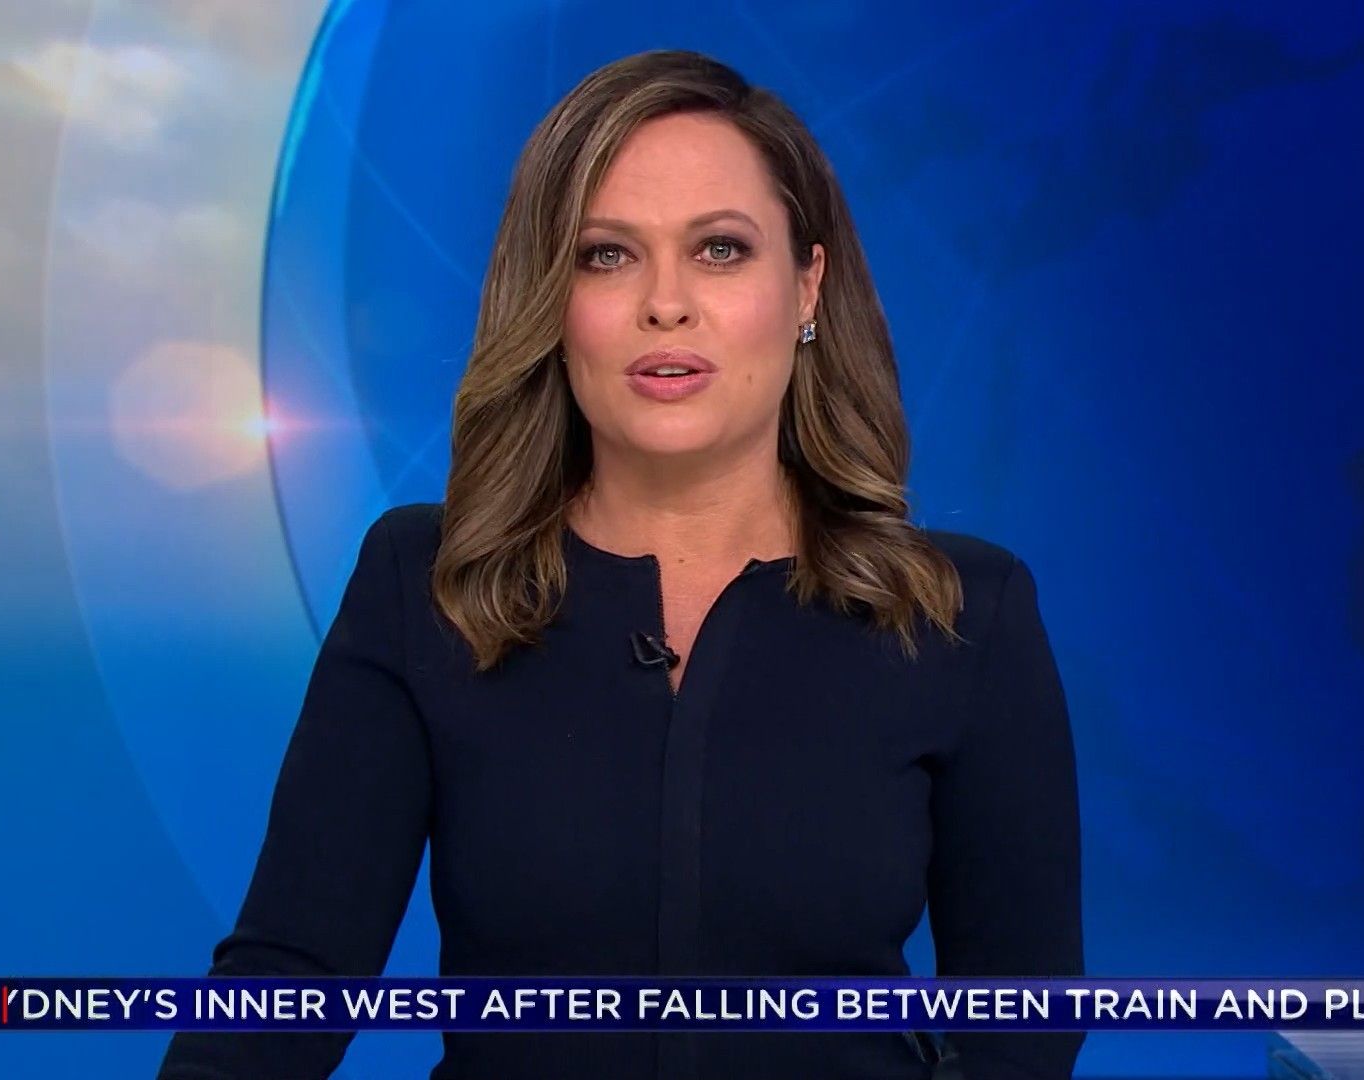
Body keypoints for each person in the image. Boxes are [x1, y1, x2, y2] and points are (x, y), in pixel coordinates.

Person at [158, 48, 1082, 1080]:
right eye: (607, 255)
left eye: (721, 249)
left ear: (806, 286)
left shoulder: (963, 613)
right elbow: (285, 985)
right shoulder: (428, 585)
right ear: (552, 300)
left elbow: (1022, 1025)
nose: (665, 304)